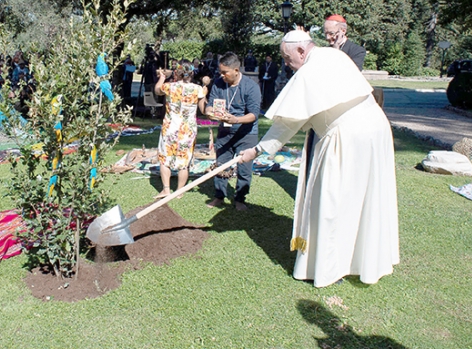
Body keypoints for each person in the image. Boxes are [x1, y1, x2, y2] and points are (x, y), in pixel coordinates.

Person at [238, 30, 399, 287]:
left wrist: (255, 151)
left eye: (287, 58)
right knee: (364, 197)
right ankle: (361, 262)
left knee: (332, 201)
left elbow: (288, 123)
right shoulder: (334, 57)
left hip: (346, 137)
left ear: (301, 51)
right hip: (375, 129)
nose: (286, 64)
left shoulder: (310, 71)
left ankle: (331, 268)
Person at [205, 52, 261, 211]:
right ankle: (219, 196)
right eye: (220, 72)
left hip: (246, 133)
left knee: (244, 169)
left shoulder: (251, 87)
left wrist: (236, 120)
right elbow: (210, 104)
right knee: (221, 165)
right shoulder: (218, 83)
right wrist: (210, 111)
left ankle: (240, 199)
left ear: (236, 70)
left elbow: (253, 115)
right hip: (224, 132)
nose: (222, 76)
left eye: (225, 72)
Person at [153, 62, 208, 199]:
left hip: (170, 127)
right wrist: (205, 92)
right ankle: (179, 191)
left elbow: (157, 90)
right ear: (192, 74)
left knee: (165, 158)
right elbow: (203, 110)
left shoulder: (170, 87)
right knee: (184, 161)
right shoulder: (198, 89)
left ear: (177, 73)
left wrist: (161, 77)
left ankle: (166, 189)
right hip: (187, 129)